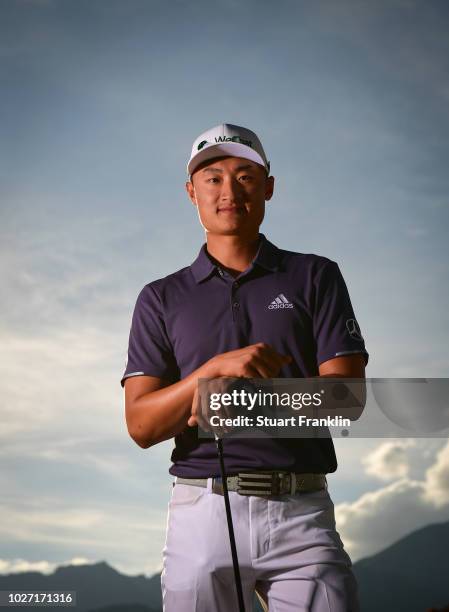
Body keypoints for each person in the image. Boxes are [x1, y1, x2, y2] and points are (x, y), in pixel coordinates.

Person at [121, 123, 369, 611]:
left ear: (268, 187)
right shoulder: (160, 297)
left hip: (301, 508)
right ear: (192, 193)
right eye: (212, 178)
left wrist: (232, 401)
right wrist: (209, 373)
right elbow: (142, 425)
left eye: (245, 176)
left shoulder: (314, 274)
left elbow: (348, 401)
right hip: (202, 510)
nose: (228, 190)